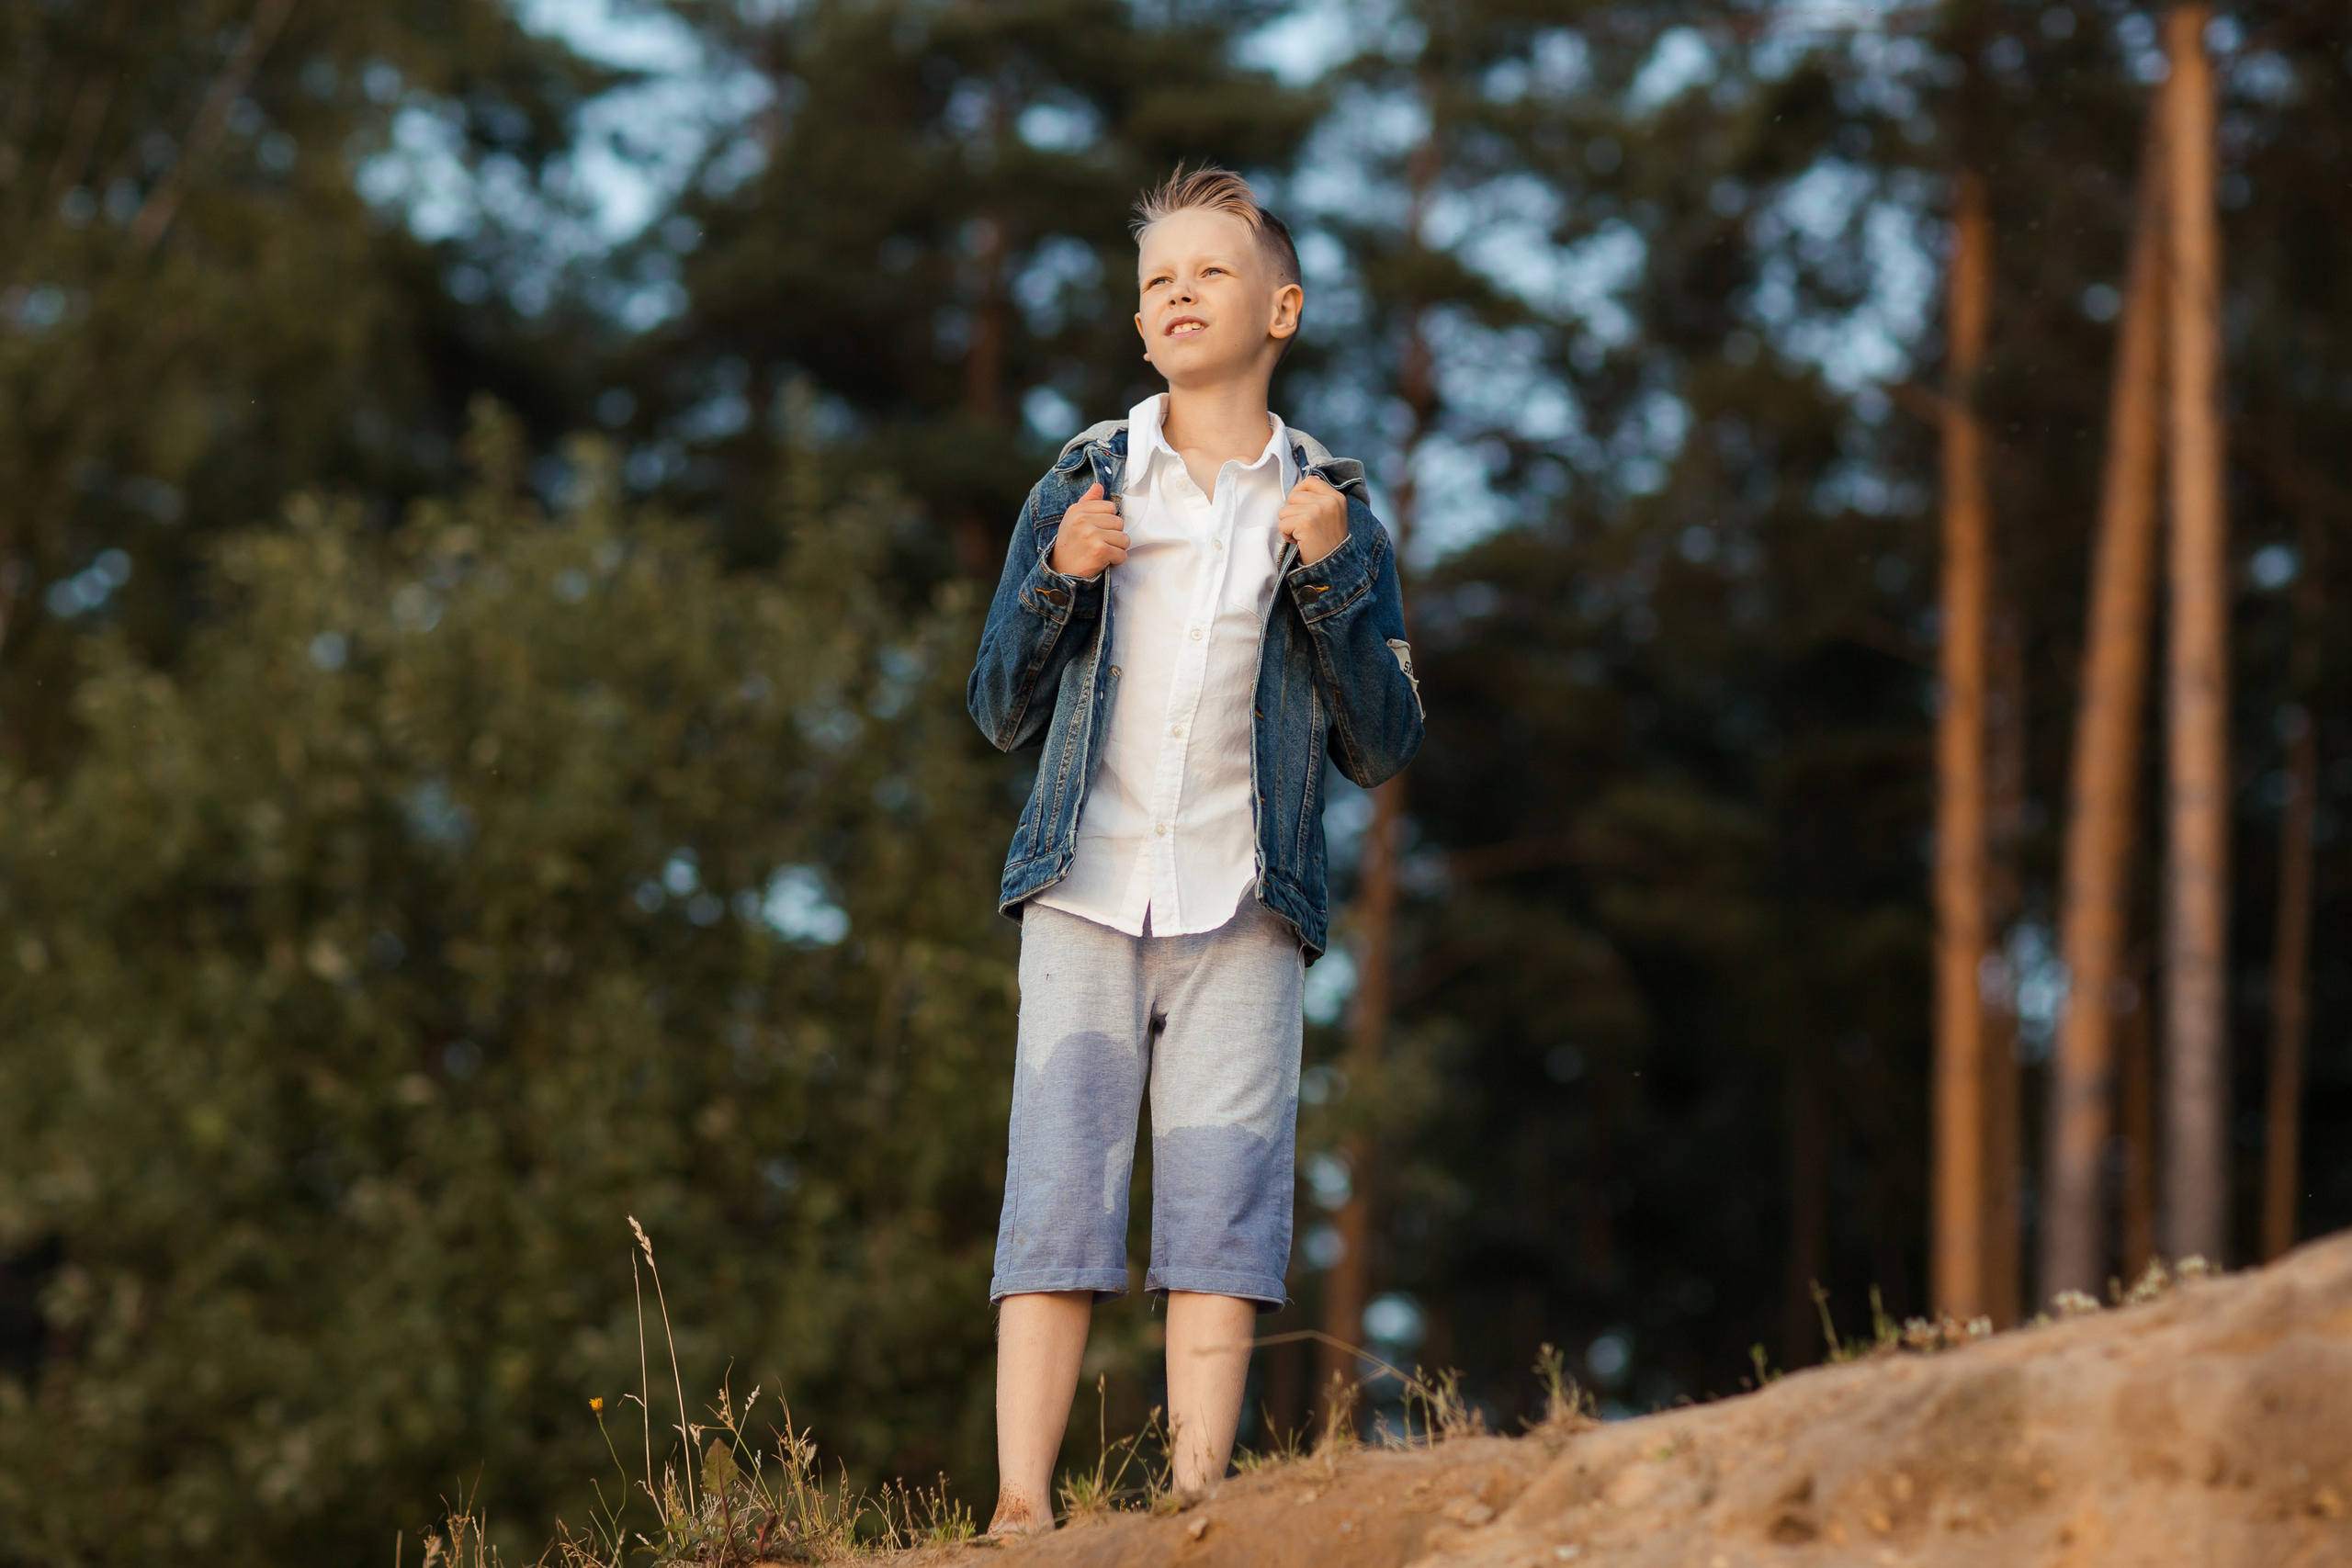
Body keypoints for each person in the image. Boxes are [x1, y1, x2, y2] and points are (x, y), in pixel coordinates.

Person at [965, 165, 1423, 1536]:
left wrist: (1335, 579)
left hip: (1247, 902)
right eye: (1156, 278)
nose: (1175, 292)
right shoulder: (1083, 482)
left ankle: (1196, 1508)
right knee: (1058, 1190)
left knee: (1221, 1205)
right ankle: (1017, 1509)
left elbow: (1383, 741)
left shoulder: (1332, 504)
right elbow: (996, 704)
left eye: (1208, 272)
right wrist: (1062, 576)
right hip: (1085, 891)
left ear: (1279, 307)